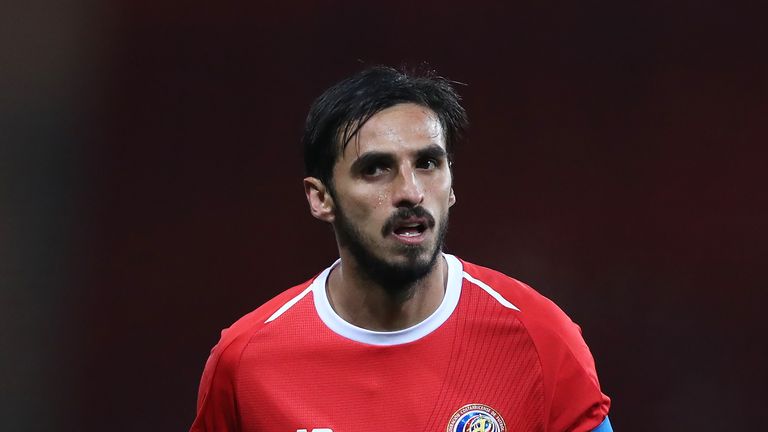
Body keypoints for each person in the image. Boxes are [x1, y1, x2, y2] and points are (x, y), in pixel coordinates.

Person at [189, 66, 612, 432]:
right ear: (321, 198)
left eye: (428, 163)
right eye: (375, 169)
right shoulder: (247, 362)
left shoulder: (542, 339)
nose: (410, 192)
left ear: (451, 184)